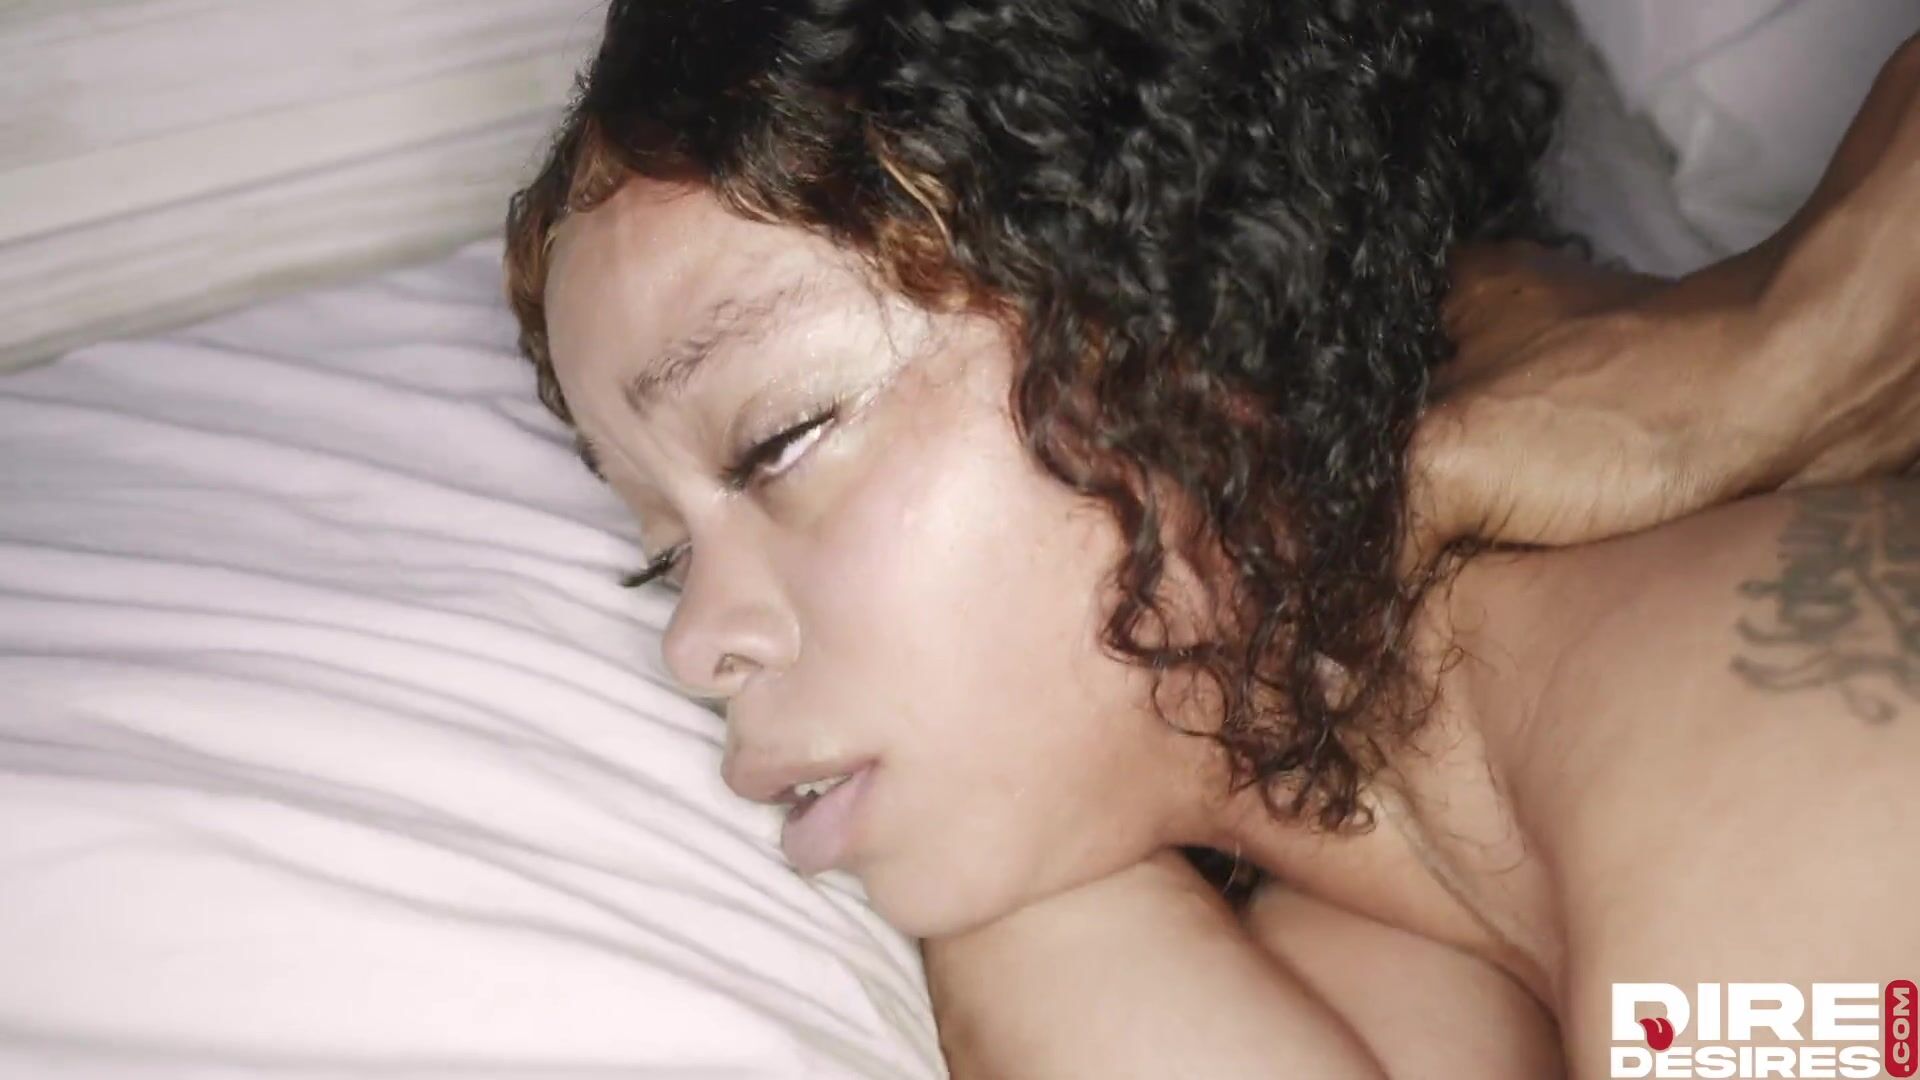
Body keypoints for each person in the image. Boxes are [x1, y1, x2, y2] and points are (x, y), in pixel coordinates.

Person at [503, 1, 1920, 1075]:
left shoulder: (1764, 722)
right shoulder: (1379, 880)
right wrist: (1009, 863)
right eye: (666, 554)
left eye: (780, 441)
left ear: (1172, 287)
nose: (696, 644)